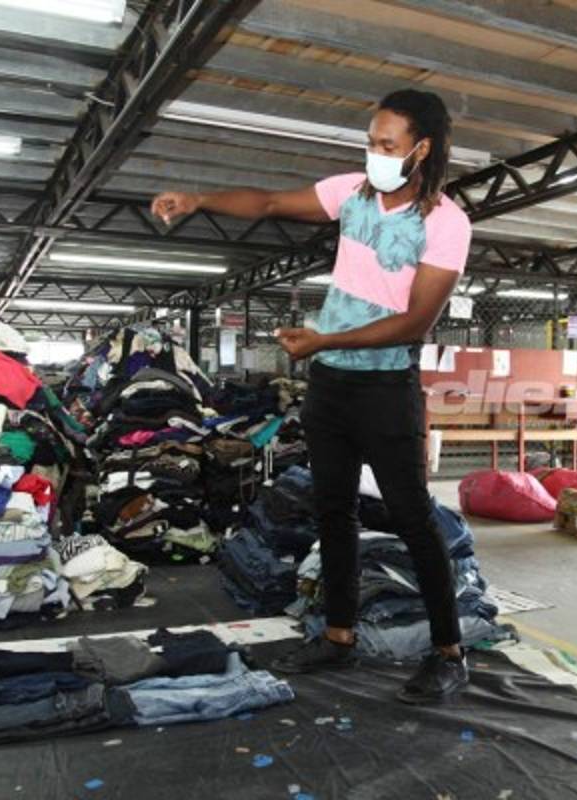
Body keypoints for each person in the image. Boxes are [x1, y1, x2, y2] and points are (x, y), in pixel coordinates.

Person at [151, 89, 473, 704]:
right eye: (370, 142)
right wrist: (200, 199)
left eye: (387, 145)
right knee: (333, 510)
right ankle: (339, 636)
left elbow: (415, 322)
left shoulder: (446, 224)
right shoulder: (353, 192)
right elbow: (271, 202)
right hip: (331, 384)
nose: (374, 154)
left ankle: (448, 652)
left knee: (413, 518)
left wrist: (326, 339)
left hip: (385, 386)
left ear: (421, 149)